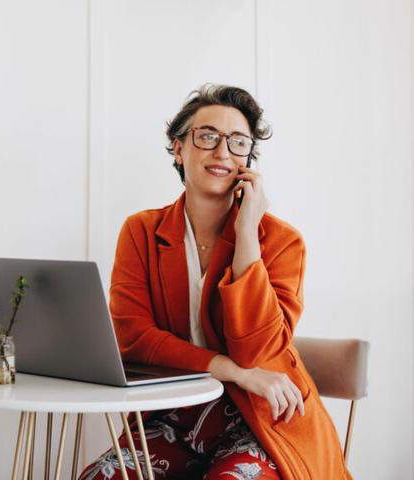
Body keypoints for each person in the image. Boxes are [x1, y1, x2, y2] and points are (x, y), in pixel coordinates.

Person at [79, 85, 350, 480]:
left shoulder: (281, 241)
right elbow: (134, 338)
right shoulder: (140, 231)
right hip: (174, 417)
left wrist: (247, 238)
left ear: (247, 159)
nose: (223, 152)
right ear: (178, 149)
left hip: (262, 416)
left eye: (238, 142)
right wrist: (229, 370)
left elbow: (257, 350)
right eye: (207, 136)